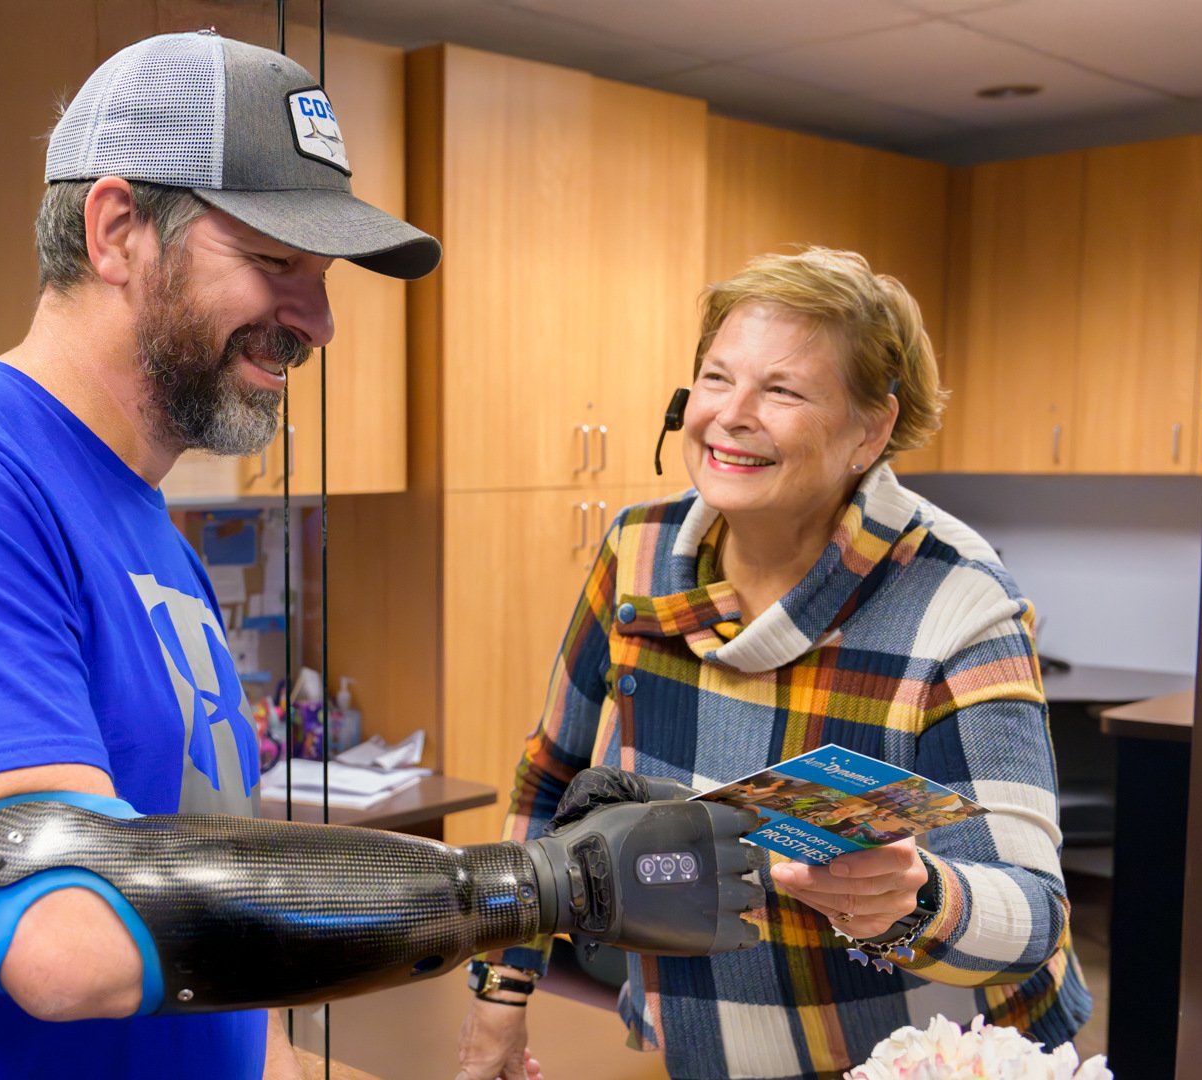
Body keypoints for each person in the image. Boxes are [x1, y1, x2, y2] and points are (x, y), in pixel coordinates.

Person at [0, 30, 763, 1080]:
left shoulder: (149, 538)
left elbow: (219, 940)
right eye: (273, 261)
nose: (316, 321)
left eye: (322, 275)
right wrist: (532, 886)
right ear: (118, 229)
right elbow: (67, 936)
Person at [456, 249, 1090, 1080]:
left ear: (871, 429)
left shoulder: (957, 603)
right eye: (717, 378)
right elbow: (548, 783)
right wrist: (500, 998)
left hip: (909, 1056)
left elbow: (1034, 911)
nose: (731, 415)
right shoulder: (637, 551)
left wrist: (918, 895)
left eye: (783, 390)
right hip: (693, 1038)